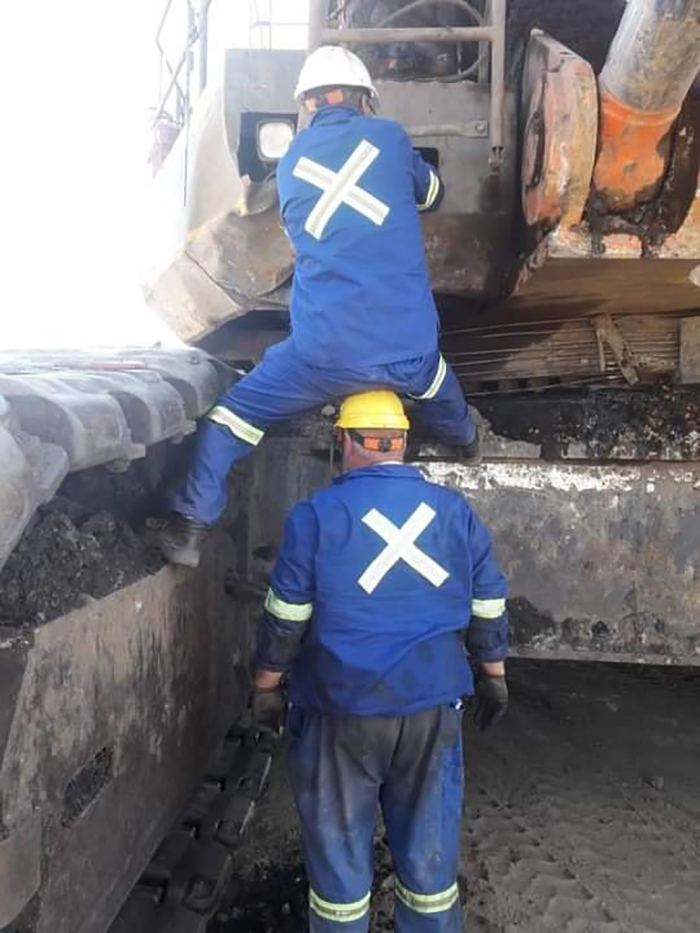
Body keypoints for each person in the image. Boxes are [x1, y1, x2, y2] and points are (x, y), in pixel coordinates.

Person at [157, 45, 479, 567]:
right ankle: (466, 442)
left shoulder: (290, 168)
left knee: (233, 418)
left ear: (307, 105)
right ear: (364, 100)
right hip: (407, 351)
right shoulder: (390, 138)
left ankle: (189, 528)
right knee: (440, 386)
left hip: (319, 357)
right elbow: (432, 194)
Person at [251, 391, 509, 932]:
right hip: (430, 707)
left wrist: (267, 686)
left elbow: (287, 616)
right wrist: (493, 675)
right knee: (429, 858)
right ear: (402, 444)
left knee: (340, 866)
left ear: (342, 440)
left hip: (338, 710)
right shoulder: (452, 512)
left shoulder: (315, 515)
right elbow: (488, 602)